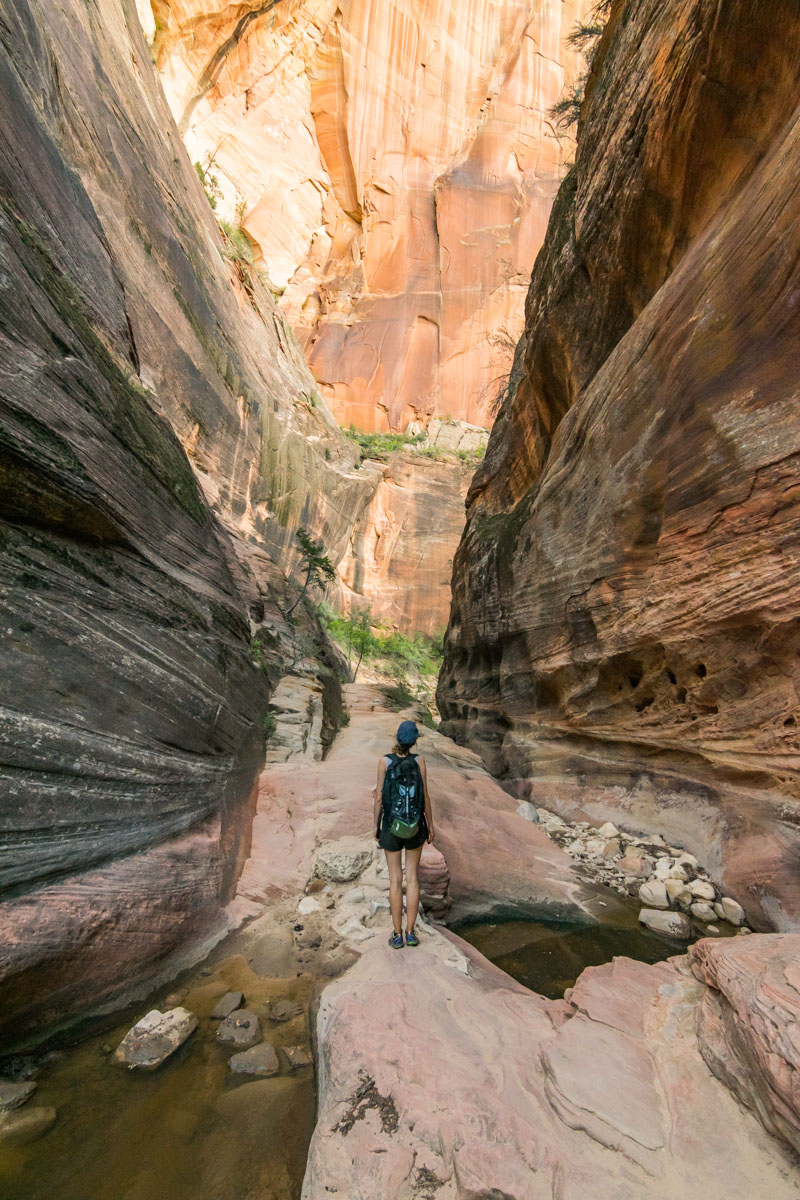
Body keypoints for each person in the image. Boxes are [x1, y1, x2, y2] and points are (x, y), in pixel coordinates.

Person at [373, 719, 435, 948]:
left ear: (397, 738)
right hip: (415, 826)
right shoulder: (420, 761)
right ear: (414, 741)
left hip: (391, 826)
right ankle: (411, 932)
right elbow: (426, 796)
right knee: (412, 878)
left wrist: (375, 825)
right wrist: (431, 825)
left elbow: (379, 797)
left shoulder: (384, 762)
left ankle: (396, 934)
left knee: (395, 880)